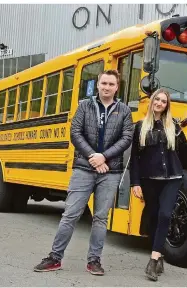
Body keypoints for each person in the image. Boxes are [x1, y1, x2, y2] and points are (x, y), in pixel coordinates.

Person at [34, 69, 134, 276]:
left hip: (111, 171)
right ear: (98, 85)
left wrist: (104, 157)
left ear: (117, 87)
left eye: (111, 84)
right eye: (103, 83)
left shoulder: (124, 111)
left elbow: (126, 138)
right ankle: (54, 258)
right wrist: (93, 158)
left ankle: (94, 261)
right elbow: (75, 133)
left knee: (100, 218)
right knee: (70, 214)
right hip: (83, 168)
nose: (107, 87)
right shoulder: (84, 106)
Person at [129, 88, 187, 281]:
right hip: (149, 180)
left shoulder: (173, 127)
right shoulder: (140, 127)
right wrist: (135, 183)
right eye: (157, 100)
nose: (159, 103)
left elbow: (185, 152)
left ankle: (153, 260)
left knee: (166, 214)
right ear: (152, 102)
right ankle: (158, 253)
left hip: (172, 178)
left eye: (163, 101)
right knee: (153, 217)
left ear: (167, 105)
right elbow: (135, 158)